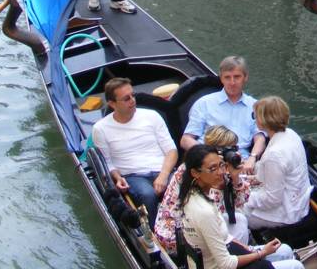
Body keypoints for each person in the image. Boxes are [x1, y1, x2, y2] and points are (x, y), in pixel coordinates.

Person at [178, 145, 302, 269]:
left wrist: (247, 249)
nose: (221, 172)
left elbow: (224, 236)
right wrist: (261, 253)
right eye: (212, 169)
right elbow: (226, 264)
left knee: (284, 250)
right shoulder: (204, 211)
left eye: (221, 165)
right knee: (296, 265)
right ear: (195, 173)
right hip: (221, 264)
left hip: (216, 257)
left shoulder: (192, 194)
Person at [91, 77, 178, 228]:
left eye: (133, 95)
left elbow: (171, 150)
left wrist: (163, 176)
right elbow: (108, 162)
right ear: (112, 104)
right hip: (133, 176)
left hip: (162, 170)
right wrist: (117, 178)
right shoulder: (100, 128)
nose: (132, 100)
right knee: (147, 195)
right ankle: (154, 234)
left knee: (184, 188)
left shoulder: (152, 116)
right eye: (126, 99)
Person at [156, 126, 252, 249]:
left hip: (205, 225)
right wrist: (219, 174)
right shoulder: (192, 169)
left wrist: (235, 177)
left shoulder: (225, 168)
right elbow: (208, 210)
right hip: (177, 233)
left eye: (233, 148)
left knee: (239, 219)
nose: (230, 153)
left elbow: (241, 202)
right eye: (225, 149)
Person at [181, 56, 266, 174]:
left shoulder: (255, 105)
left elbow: (260, 137)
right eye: (227, 77)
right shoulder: (204, 103)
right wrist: (207, 155)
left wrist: (253, 158)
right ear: (221, 79)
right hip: (208, 162)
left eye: (237, 77)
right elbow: (186, 140)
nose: (232, 82)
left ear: (245, 77)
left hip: (241, 161)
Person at [242, 97, 312, 232]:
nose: (254, 119)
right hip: (297, 203)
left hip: (284, 214)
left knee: (231, 212)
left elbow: (272, 199)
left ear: (262, 120)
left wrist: (243, 197)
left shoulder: (274, 155)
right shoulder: (291, 134)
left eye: (254, 116)